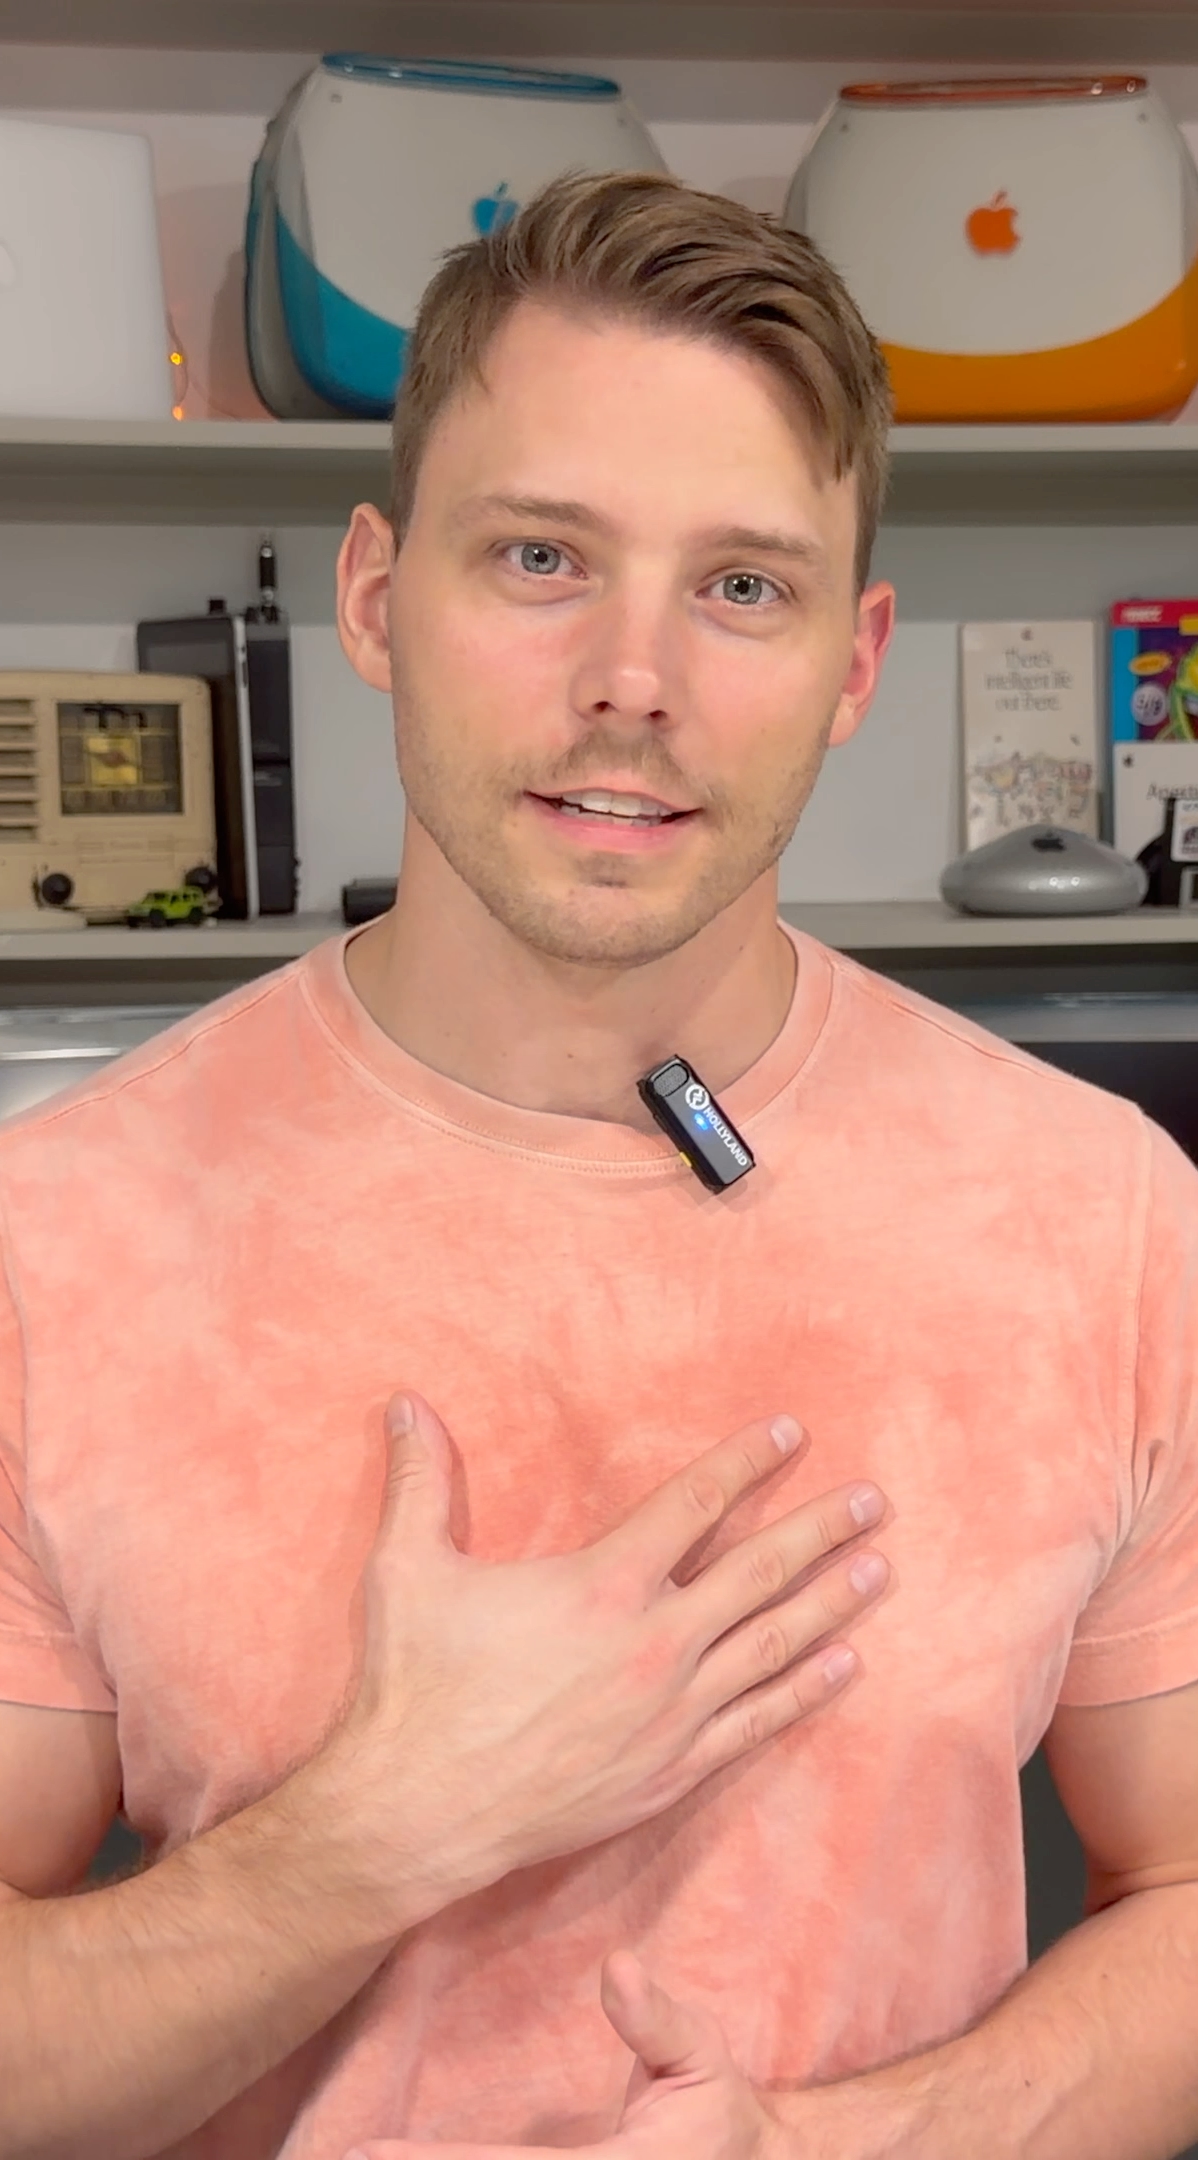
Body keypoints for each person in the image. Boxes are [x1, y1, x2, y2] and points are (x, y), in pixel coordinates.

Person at [1, 169, 1197, 2160]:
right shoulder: (53, 1242)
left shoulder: (1105, 1216)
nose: (632, 678)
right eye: (541, 557)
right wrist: (382, 1828)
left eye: (740, 585)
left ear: (852, 657)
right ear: (377, 599)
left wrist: (831, 2148)